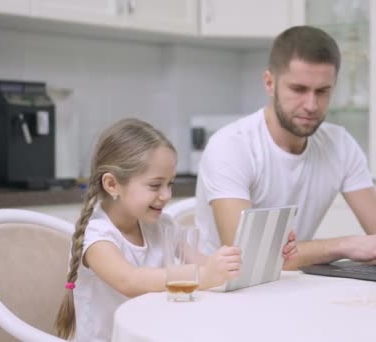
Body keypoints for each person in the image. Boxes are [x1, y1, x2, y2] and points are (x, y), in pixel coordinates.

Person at [195, 25, 376, 270]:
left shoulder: (340, 144)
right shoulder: (230, 146)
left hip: (291, 284)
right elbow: (247, 256)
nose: (311, 105)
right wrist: (344, 245)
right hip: (224, 294)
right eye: (299, 89)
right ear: (269, 83)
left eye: (322, 91)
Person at [54, 118, 242, 341]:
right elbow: (130, 281)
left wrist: (228, 263)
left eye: (170, 184)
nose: (166, 195)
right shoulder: (96, 236)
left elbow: (201, 262)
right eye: (155, 185)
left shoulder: (161, 225)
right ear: (112, 185)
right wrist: (203, 276)